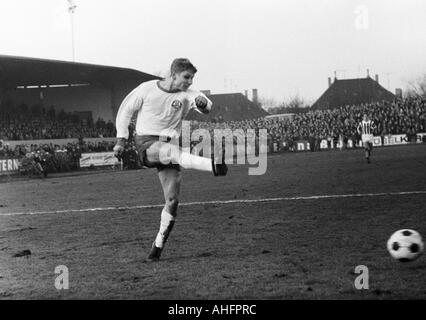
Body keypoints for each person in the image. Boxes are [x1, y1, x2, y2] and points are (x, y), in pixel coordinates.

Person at [113, 58, 228, 262]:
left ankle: (157, 247)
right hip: (147, 143)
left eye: (192, 78)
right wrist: (121, 140)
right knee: (170, 151)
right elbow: (125, 112)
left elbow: (206, 104)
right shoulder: (146, 89)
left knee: (173, 201)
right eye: (186, 77)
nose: (190, 81)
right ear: (173, 74)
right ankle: (213, 165)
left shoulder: (187, 94)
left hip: (170, 146)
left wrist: (204, 105)